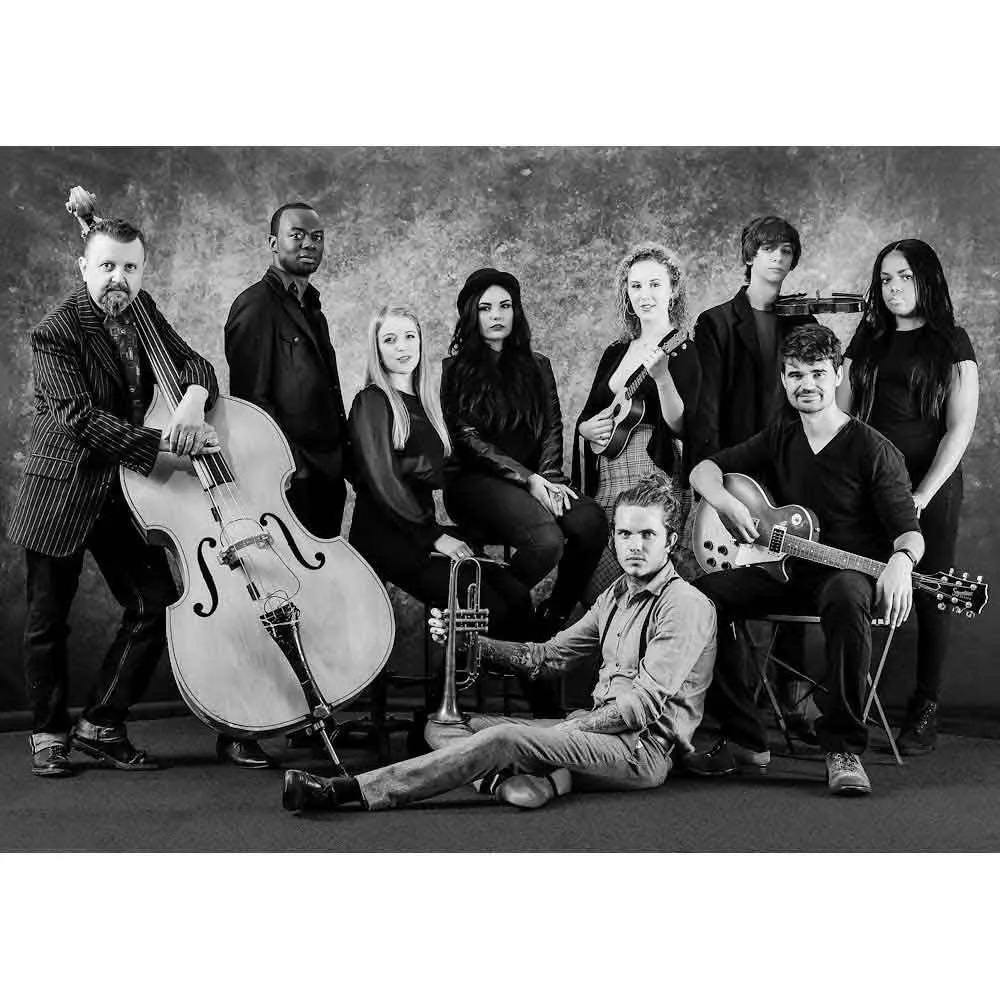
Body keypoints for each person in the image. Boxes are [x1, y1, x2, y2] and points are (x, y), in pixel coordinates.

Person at [281, 473, 717, 815]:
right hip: (590, 731)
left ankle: (348, 791)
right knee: (442, 726)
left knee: (507, 737)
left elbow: (640, 708)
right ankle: (506, 781)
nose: (634, 546)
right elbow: (547, 657)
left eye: (647, 535)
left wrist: (558, 733)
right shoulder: (615, 595)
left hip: (639, 752)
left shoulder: (684, 605)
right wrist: (472, 641)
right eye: (625, 534)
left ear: (670, 541)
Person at [7, 215, 220, 778]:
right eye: (107, 265)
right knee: (48, 621)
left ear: (143, 271)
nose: (118, 278)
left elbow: (196, 364)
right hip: (61, 490)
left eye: (130, 267)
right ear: (84, 268)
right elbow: (81, 419)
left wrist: (192, 400)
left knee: (156, 601)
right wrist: (168, 445)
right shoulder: (56, 331)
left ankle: (101, 724)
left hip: (122, 492)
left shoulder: (143, 310)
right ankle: (48, 733)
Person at [687, 326, 923, 796]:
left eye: (817, 372)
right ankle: (745, 738)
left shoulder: (873, 450)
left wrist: (901, 561)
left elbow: (908, 532)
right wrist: (727, 504)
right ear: (783, 380)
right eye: (795, 375)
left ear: (838, 375)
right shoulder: (782, 435)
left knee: (846, 595)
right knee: (698, 598)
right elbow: (703, 469)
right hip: (783, 571)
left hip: (845, 578)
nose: (806, 384)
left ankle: (844, 749)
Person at [840, 239, 979, 753]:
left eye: (904, 277)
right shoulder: (868, 336)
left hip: (930, 487)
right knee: (853, 585)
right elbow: (841, 410)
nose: (893, 287)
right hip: (868, 484)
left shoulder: (952, 341)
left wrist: (920, 494)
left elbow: (959, 428)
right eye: (885, 279)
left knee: (931, 592)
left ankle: (925, 709)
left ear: (926, 279)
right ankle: (847, 706)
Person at [689, 216, 818, 739]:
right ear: (749, 256)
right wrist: (713, 488)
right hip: (737, 474)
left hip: (792, 474)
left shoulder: (802, 320)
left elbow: (819, 393)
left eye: (786, 251)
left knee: (798, 569)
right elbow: (704, 414)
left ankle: (794, 697)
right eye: (768, 249)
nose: (778, 259)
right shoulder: (717, 323)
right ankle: (740, 707)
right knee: (731, 585)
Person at [347, 305, 534, 650]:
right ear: (377, 349)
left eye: (409, 336)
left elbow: (451, 467)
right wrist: (434, 537)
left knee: (517, 594)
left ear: (420, 342)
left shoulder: (426, 403)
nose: (402, 347)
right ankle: (471, 676)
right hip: (387, 540)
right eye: (390, 339)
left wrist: (521, 487)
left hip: (418, 532)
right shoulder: (371, 401)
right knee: (494, 606)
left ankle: (528, 679)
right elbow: (384, 482)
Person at [441, 267, 608, 651]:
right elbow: (468, 440)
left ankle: (551, 618)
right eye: (485, 308)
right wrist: (529, 480)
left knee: (590, 521)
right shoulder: (454, 370)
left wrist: (550, 478)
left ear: (516, 311)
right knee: (547, 541)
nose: (497, 315)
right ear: (471, 313)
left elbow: (552, 427)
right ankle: (507, 616)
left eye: (505, 306)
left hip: (536, 480)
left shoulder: (538, 365)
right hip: (474, 483)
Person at [573, 242, 701, 600]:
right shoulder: (616, 351)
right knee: (598, 580)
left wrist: (662, 378)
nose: (645, 295)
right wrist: (585, 428)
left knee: (643, 574)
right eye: (636, 286)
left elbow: (681, 426)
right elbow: (589, 413)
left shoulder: (682, 349)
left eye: (655, 284)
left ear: (673, 290)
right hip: (606, 479)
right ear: (626, 293)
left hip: (651, 474)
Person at [225, 202, 350, 539]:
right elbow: (251, 405)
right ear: (273, 243)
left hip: (327, 476)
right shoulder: (255, 306)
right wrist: (294, 467)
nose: (309, 243)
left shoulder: (312, 307)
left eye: (317, 237)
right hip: (293, 480)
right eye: (297, 235)